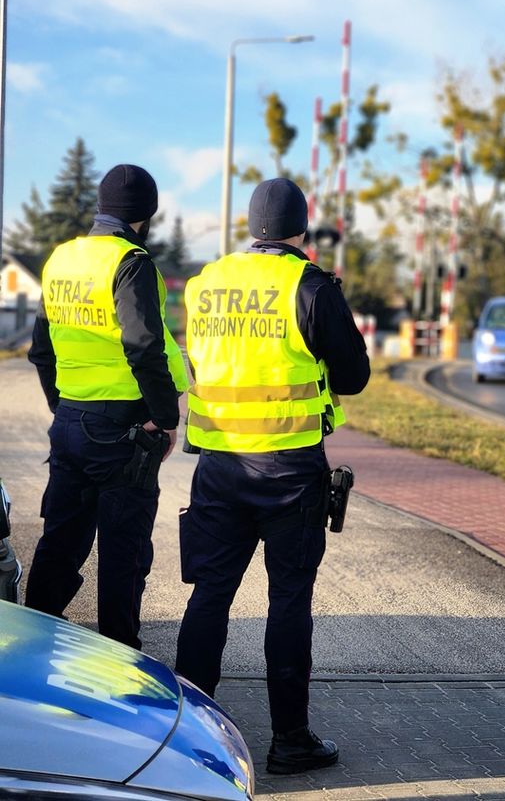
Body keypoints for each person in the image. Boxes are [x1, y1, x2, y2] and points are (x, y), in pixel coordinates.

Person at [175, 178, 370, 776]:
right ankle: (290, 741)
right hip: (289, 472)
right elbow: (354, 376)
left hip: (218, 467)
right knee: (288, 602)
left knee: (209, 595)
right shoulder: (309, 285)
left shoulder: (205, 285)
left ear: (250, 227)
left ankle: (183, 734)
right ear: (300, 229)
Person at [26, 163, 187, 649]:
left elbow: (41, 348)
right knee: (124, 551)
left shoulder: (61, 260)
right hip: (122, 432)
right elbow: (143, 347)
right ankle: (121, 663)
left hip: (70, 424)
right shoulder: (131, 263)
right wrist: (164, 416)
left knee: (60, 542)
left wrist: (64, 406)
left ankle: (31, 649)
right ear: (147, 214)